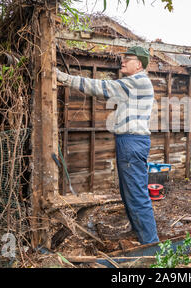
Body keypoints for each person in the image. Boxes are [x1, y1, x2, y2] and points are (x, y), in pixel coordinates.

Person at [55, 46, 159, 245]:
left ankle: (151, 244)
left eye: (127, 58)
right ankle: (141, 234)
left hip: (132, 141)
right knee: (129, 191)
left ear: (138, 64)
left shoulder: (137, 81)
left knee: (136, 193)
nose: (122, 61)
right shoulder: (135, 83)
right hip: (129, 141)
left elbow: (102, 88)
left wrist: (65, 78)